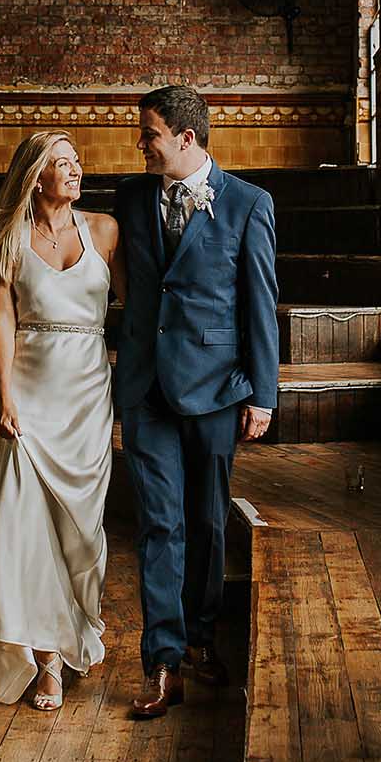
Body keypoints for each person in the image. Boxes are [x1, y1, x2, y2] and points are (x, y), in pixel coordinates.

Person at [111, 85, 278, 718]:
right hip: (146, 389)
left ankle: (203, 640)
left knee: (208, 522)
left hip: (216, 390)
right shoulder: (127, 199)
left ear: (185, 138)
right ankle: (162, 661)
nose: (141, 145)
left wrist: (263, 393)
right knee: (160, 523)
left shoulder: (247, 204)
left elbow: (259, 305)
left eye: (149, 134)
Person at [0, 129, 122, 747]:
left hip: (88, 400)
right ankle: (47, 658)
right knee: (27, 529)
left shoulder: (104, 232)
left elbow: (132, 308)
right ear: (35, 176)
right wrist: (7, 397)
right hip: (27, 398)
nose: (76, 172)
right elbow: (1, 318)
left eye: (77, 163)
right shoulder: (8, 242)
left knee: (82, 531)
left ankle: (79, 625)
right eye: (62, 164)